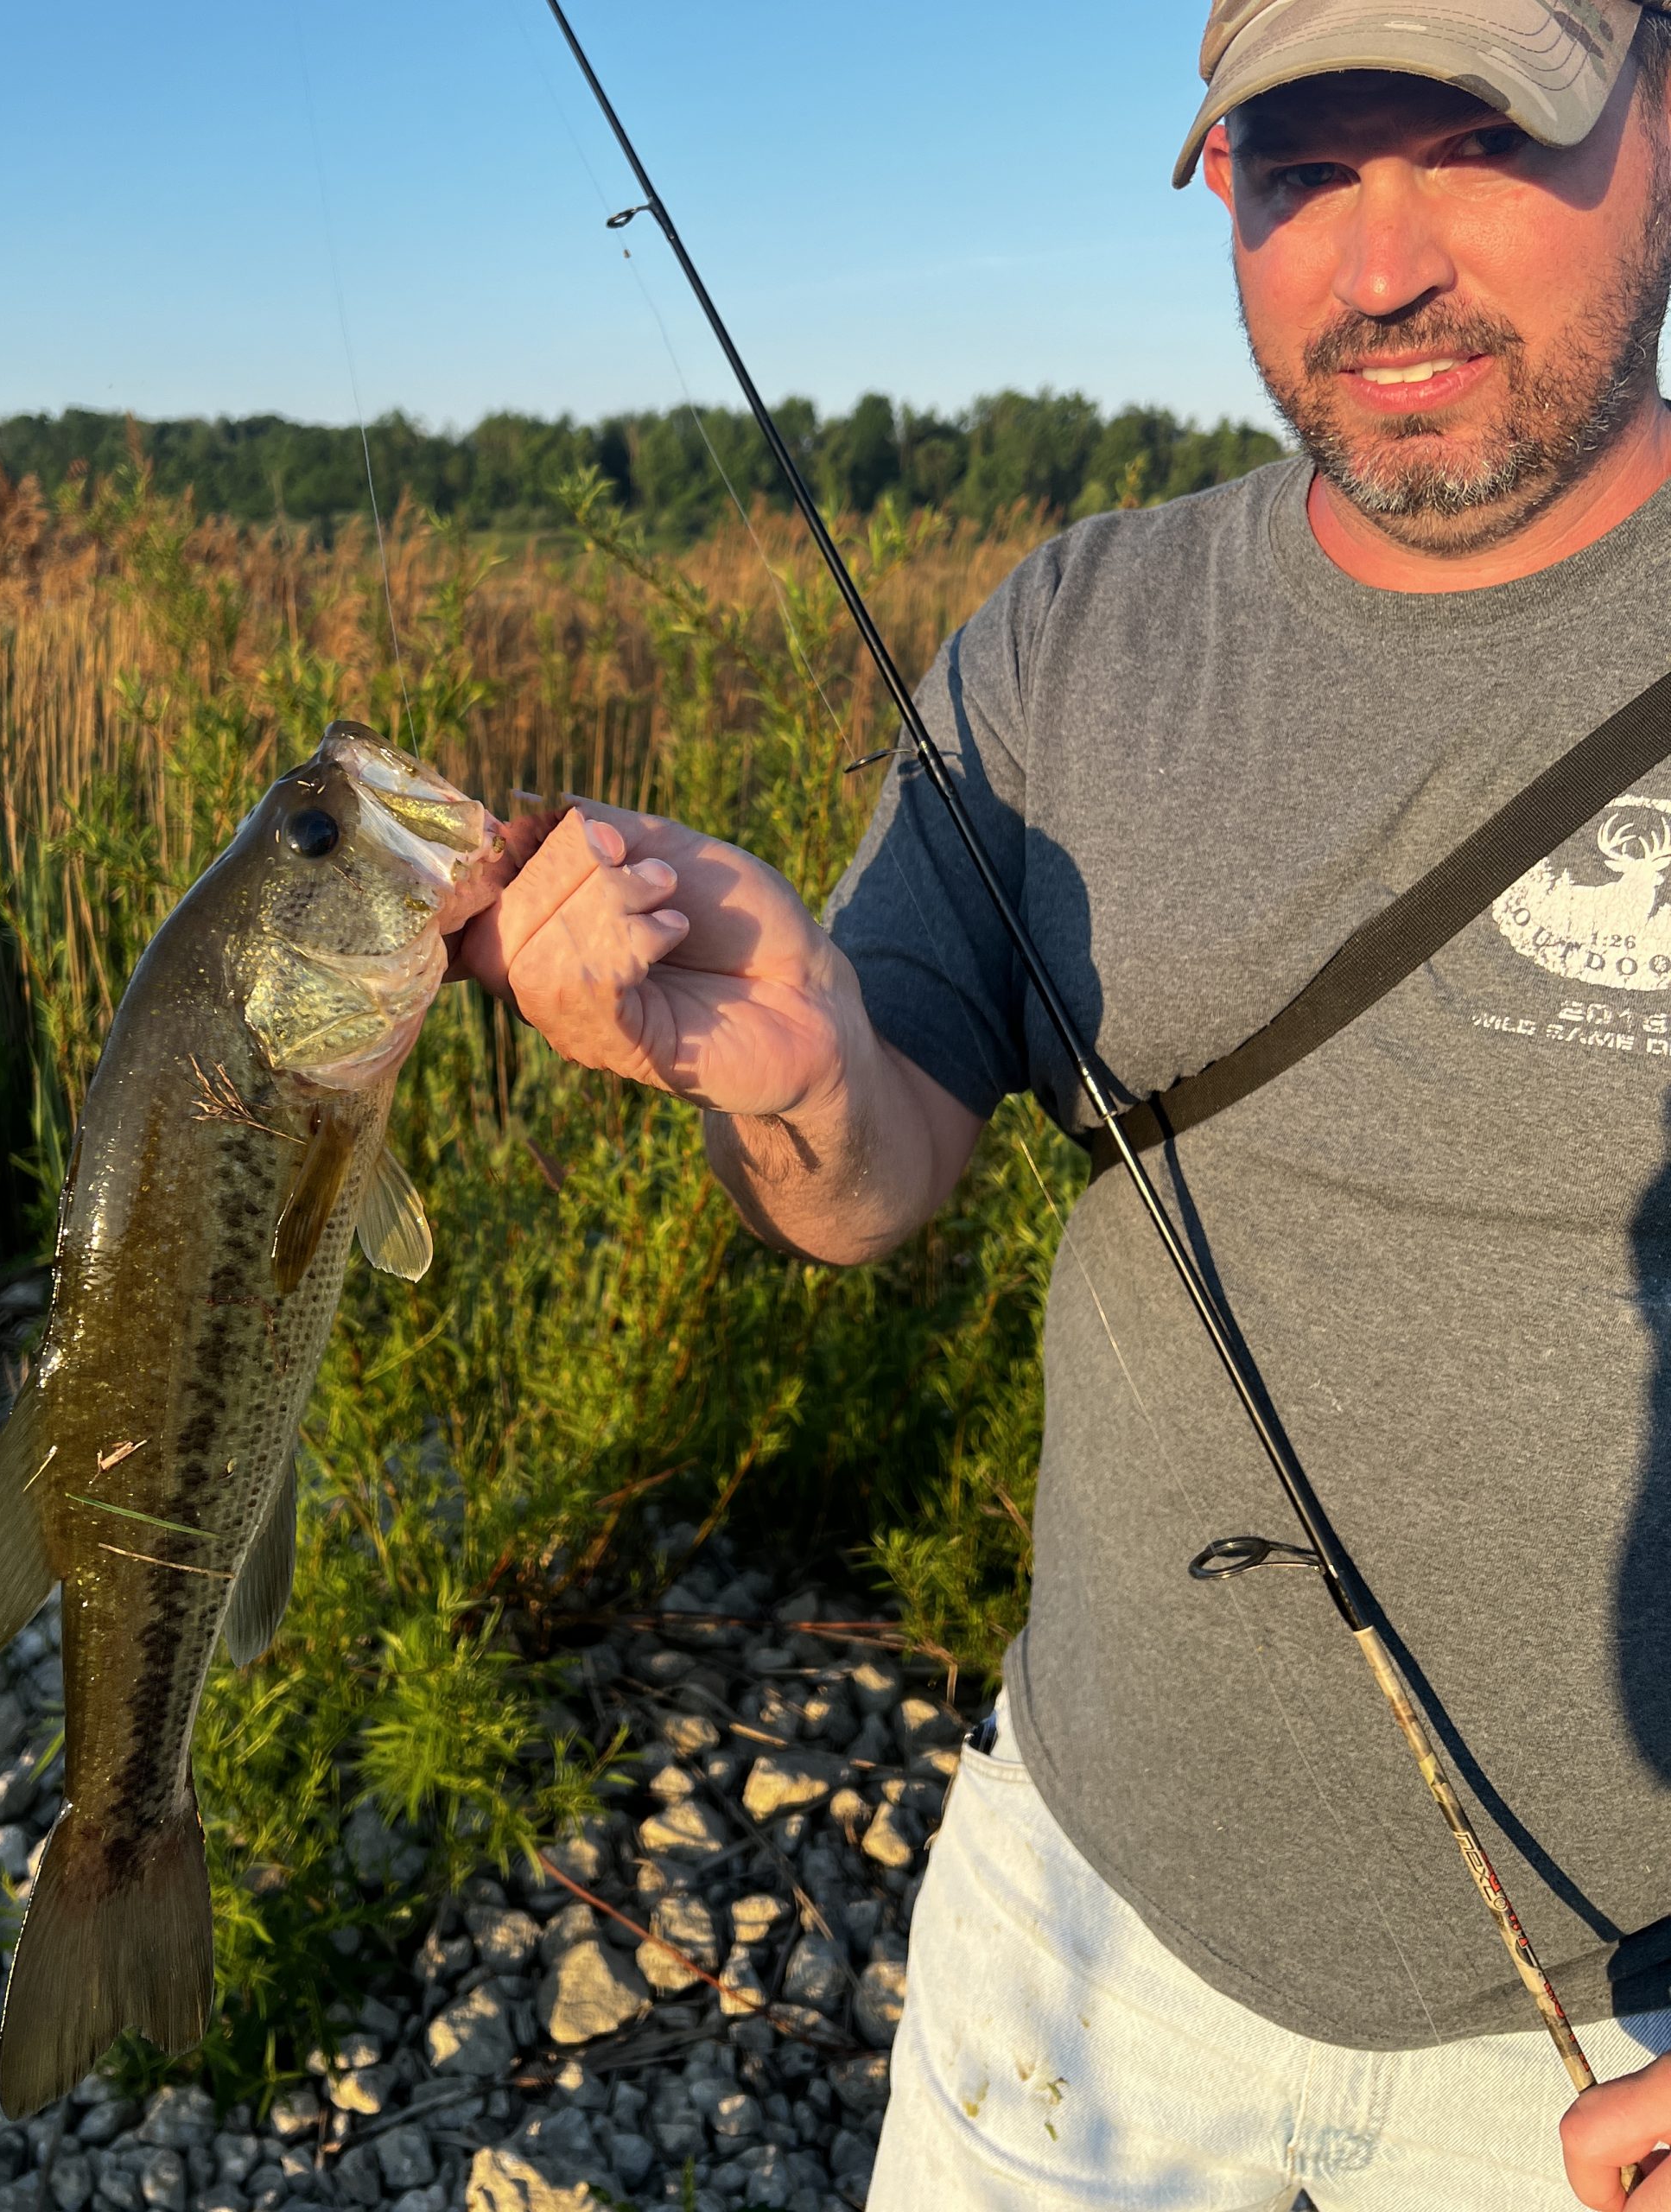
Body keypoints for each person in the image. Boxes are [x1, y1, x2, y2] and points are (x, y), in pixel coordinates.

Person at [448, 3, 1671, 2203]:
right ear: (1219, 186)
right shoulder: (1077, 633)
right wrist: (805, 1064)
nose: (1382, 264)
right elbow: (871, 1183)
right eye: (1307, 165)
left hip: (1609, 2055)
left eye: (1481, 138)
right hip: (1081, 1938)